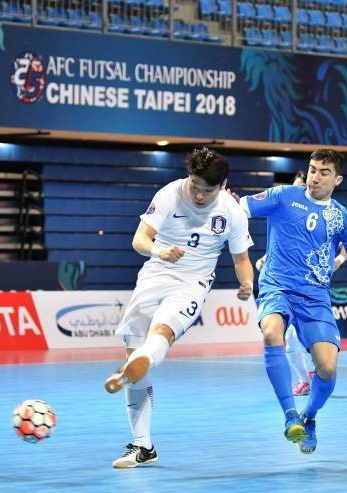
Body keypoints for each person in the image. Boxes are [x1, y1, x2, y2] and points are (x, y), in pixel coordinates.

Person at [240, 149, 347, 454]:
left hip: (315, 297)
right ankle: (291, 416)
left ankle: (309, 417)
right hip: (277, 287)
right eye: (312, 169)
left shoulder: (343, 217)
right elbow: (239, 208)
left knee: (327, 368)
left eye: (323, 172)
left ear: (337, 179)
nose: (314, 177)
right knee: (272, 333)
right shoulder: (283, 196)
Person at [104, 148, 254, 468]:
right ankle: (143, 445)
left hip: (192, 283)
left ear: (222, 185)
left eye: (207, 190)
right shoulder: (170, 194)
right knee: (133, 354)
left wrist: (246, 283)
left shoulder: (232, 211)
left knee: (163, 330)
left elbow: (241, 258)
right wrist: (159, 251)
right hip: (155, 274)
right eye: (195, 185)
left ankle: (142, 359)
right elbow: (140, 239)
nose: (198, 195)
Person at [255, 172, 347, 396]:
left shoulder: (330, 218)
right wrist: (263, 262)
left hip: (312, 295)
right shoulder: (287, 219)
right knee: (289, 340)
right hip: (285, 294)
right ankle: (304, 380)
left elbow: (344, 250)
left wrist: (339, 259)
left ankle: (318, 371)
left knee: (311, 344)